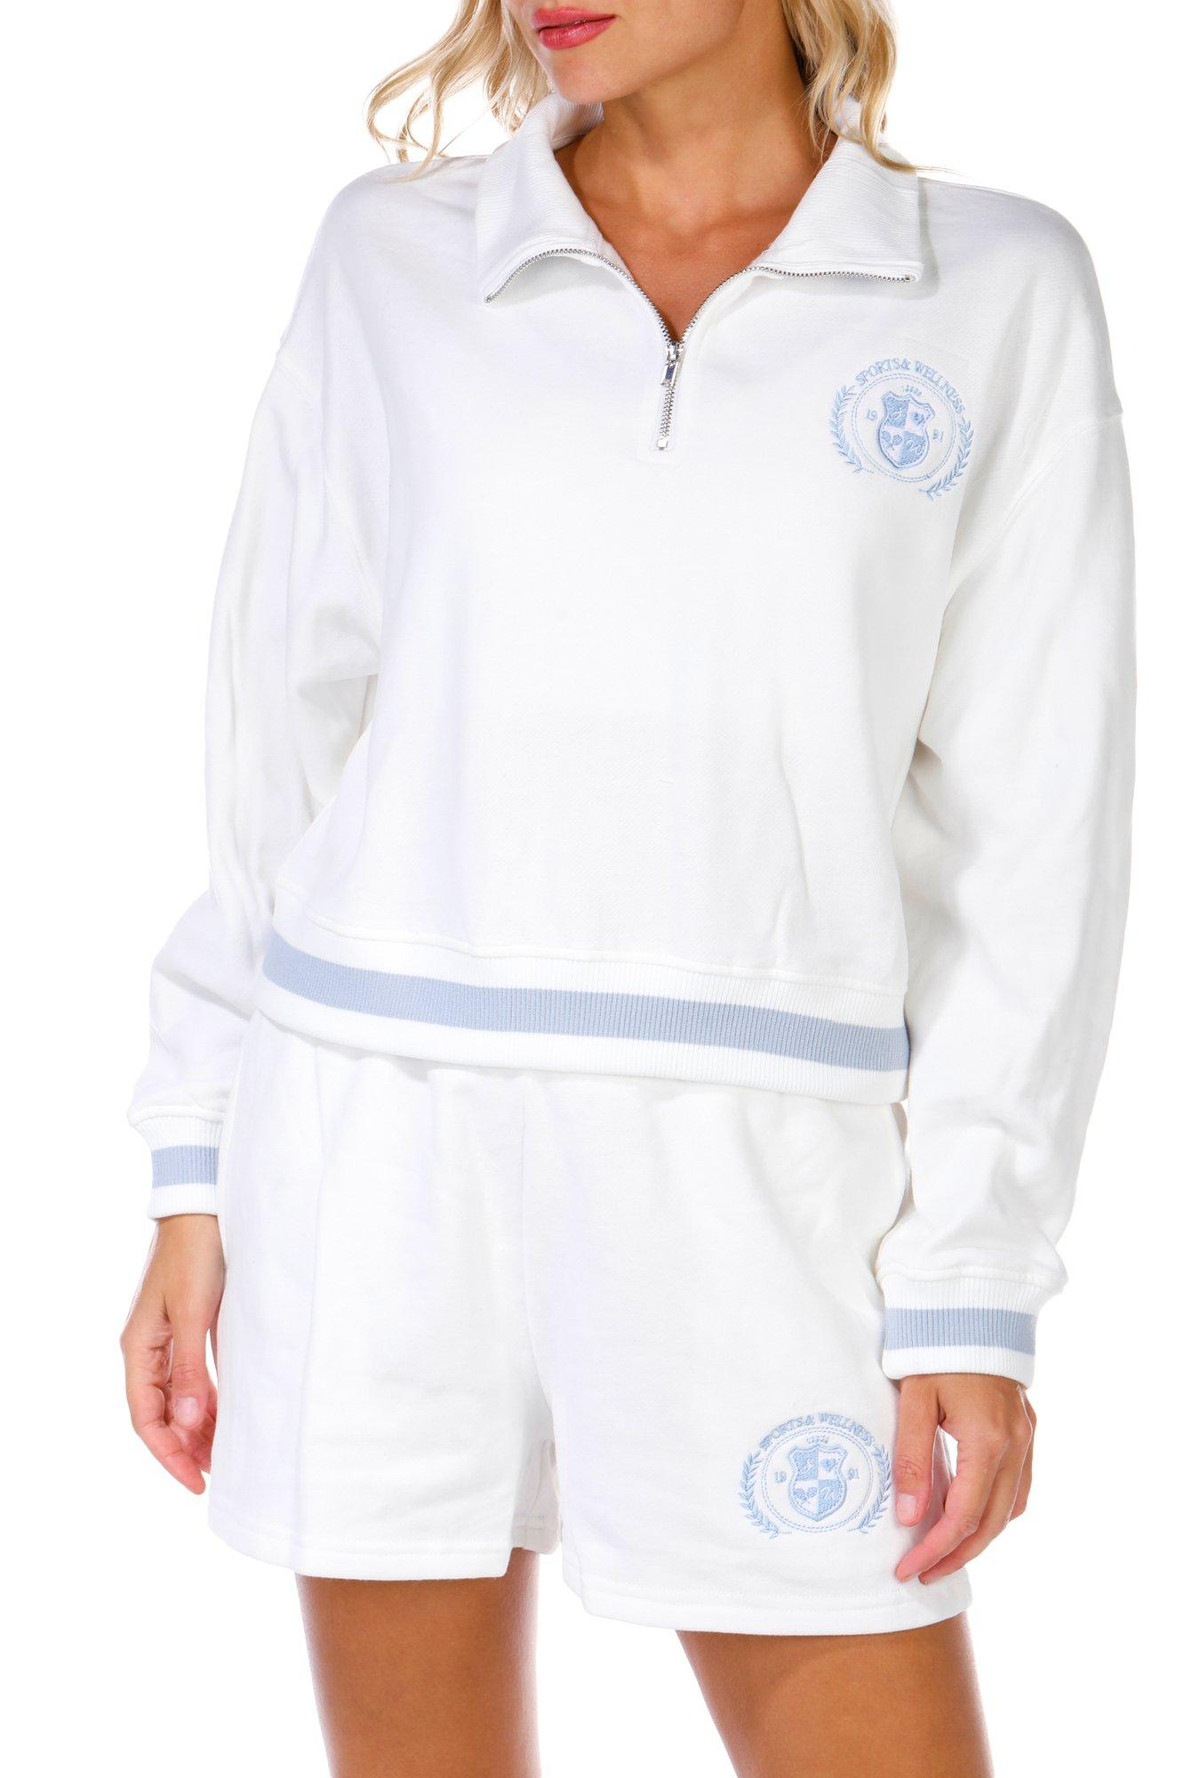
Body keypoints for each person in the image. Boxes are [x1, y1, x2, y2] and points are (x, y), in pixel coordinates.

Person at [120, 3, 1134, 1773]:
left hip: (767, 1177)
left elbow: (1036, 837)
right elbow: (281, 742)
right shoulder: (393, 260)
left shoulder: (990, 290)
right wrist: (196, 1167)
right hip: (380, 1146)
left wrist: (970, 1280)